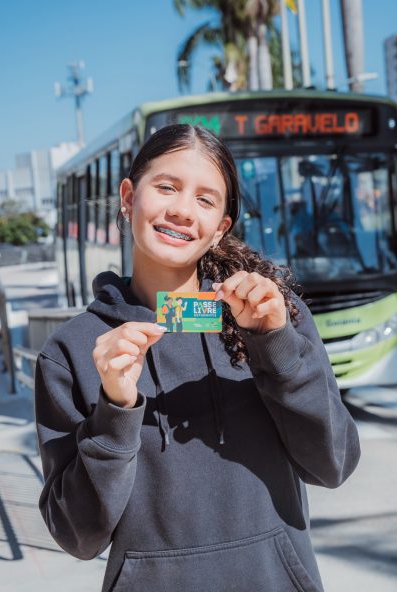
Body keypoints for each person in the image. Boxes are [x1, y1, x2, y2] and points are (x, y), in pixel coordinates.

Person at [34, 124, 360, 592]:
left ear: (220, 228)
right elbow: (77, 535)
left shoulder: (271, 316)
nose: (183, 210)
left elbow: (334, 464)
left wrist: (277, 346)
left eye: (206, 200)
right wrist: (116, 409)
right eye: (166, 187)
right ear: (128, 198)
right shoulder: (72, 351)